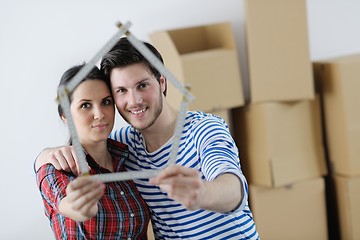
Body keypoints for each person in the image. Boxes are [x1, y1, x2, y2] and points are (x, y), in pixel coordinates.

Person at [35, 38, 260, 239]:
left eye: (142, 85)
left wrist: (203, 193)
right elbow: (82, 148)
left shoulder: (204, 129)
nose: (134, 101)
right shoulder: (124, 146)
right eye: (121, 91)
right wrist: (45, 156)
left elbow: (233, 188)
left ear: (162, 82)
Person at [36, 64, 150, 239]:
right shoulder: (56, 167)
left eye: (105, 102)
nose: (99, 114)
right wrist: (78, 205)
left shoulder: (128, 157)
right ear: (65, 116)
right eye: (85, 105)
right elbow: (66, 202)